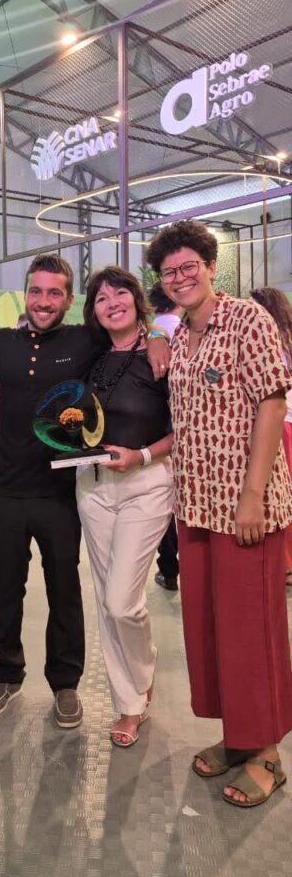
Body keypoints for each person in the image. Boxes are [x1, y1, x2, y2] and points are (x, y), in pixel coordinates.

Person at [0, 253, 170, 729]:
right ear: (26, 292)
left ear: (68, 299)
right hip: (5, 488)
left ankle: (65, 683)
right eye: (37, 290)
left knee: (66, 590)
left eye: (55, 292)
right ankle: (7, 672)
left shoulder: (85, 340)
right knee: (6, 587)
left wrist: (162, 336)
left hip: (64, 488)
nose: (44, 301)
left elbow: (139, 327)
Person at [146, 219, 292, 808]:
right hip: (197, 502)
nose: (180, 278)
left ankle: (268, 755)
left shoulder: (247, 319)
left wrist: (253, 495)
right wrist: (158, 329)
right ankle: (238, 737)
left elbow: (271, 400)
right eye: (169, 272)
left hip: (243, 505)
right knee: (209, 628)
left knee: (252, 629)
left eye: (189, 267)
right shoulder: (180, 330)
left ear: (210, 266)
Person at [76, 267, 174, 747]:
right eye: (100, 297)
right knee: (106, 601)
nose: (111, 301)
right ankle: (129, 704)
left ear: (137, 300)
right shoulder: (93, 356)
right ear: (92, 310)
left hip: (148, 482)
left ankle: (142, 669)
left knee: (122, 600)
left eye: (120, 293)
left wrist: (143, 455)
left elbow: (186, 425)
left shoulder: (163, 352)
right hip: (92, 486)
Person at [250, 286, 292, 585]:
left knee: (276, 494)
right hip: (288, 422)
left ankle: (285, 564)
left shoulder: (268, 342)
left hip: (280, 425)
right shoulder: (286, 339)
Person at [149, 281, 182, 592]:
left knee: (166, 498)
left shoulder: (154, 329)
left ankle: (169, 567)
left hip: (159, 429)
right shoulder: (181, 327)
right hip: (182, 428)